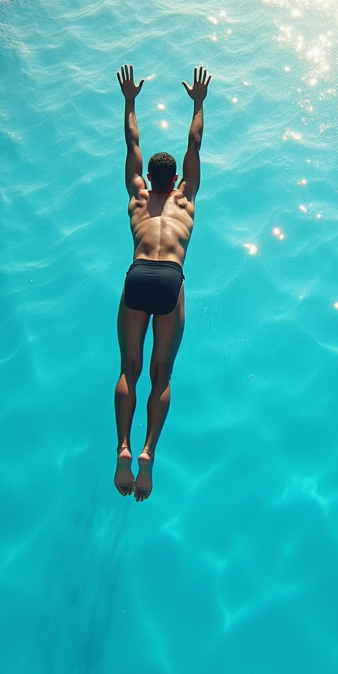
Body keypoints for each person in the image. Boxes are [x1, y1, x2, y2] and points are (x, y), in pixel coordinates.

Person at [113, 64, 209, 502]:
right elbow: (194, 143)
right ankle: (149, 452)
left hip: (137, 276)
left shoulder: (136, 195)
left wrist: (130, 100)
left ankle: (123, 450)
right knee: (161, 373)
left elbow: (132, 143)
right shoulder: (186, 199)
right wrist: (198, 103)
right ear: (177, 182)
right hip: (170, 279)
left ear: (150, 180)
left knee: (128, 369)